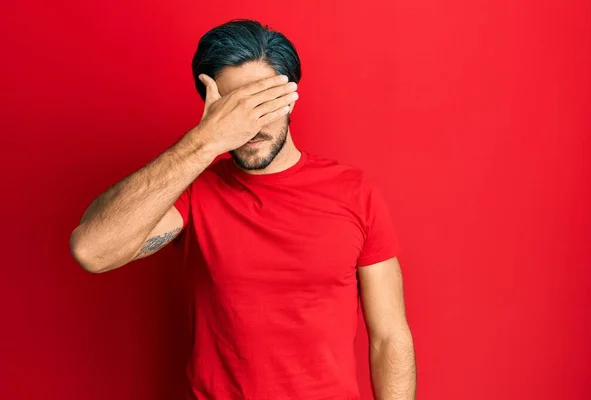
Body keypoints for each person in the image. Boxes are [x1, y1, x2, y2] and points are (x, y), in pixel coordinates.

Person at [70, 19, 416, 400]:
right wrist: (206, 140)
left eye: (261, 104)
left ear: (290, 98)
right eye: (234, 109)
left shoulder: (354, 192)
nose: (250, 124)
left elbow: (389, 337)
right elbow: (92, 250)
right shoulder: (192, 191)